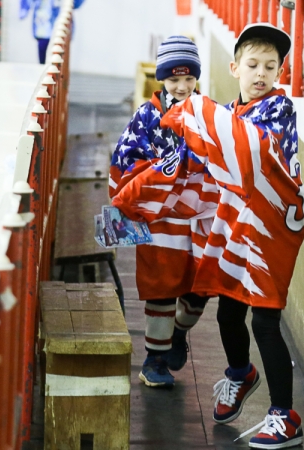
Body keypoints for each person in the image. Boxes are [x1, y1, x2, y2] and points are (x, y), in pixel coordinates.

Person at [113, 23, 304, 449]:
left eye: (271, 67)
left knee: (266, 320)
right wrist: (136, 195)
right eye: (253, 65)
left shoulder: (277, 109)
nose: (261, 74)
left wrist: (197, 116)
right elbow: (195, 157)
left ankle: (285, 414)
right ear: (234, 67)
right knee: (225, 312)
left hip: (270, 232)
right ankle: (240, 374)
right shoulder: (226, 112)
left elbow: (247, 151)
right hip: (233, 226)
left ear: (279, 74)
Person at [109, 36, 215, 389]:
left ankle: (178, 332)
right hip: (160, 219)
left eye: (189, 78)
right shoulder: (146, 116)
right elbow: (124, 162)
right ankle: (153, 360)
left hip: (200, 216)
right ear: (162, 80)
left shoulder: (210, 112)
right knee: (161, 288)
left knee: (201, 287)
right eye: (173, 79)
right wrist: (161, 173)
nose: (182, 86)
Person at [19, 0, 85, 64]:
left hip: (61, 27)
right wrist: (24, 9)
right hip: (42, 26)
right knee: (44, 59)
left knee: (59, 60)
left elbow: (76, 4)